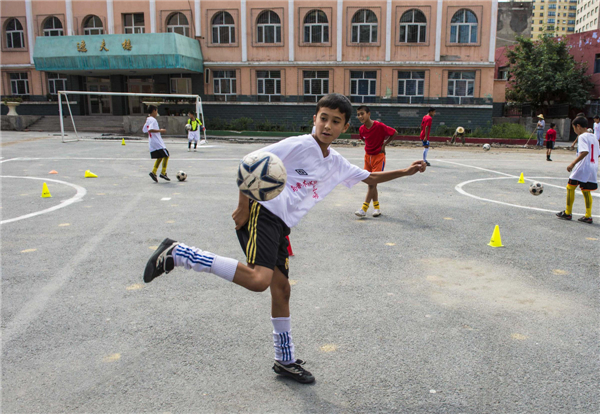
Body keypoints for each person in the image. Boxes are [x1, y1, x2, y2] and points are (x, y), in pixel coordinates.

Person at [143, 94, 426, 384]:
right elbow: (250, 161)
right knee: (258, 280)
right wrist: (243, 204)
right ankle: (180, 254)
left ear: (345, 126)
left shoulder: (337, 162)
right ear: (314, 119)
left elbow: (370, 178)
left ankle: (285, 360)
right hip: (262, 212)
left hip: (280, 224)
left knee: (281, 290)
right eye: (323, 118)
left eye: (335, 121)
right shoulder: (300, 144)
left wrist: (407, 170)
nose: (327, 125)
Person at [354, 105, 397, 218]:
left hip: (378, 157)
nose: (360, 116)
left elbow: (394, 132)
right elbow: (364, 138)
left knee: (372, 183)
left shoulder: (379, 126)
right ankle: (377, 208)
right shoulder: (361, 129)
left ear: (369, 114)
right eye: (358, 114)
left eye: (362, 113)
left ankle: (364, 208)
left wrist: (384, 144)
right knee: (371, 183)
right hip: (367, 157)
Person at [556, 117, 598, 224]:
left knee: (570, 187)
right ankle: (588, 216)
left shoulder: (582, 136)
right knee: (586, 190)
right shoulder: (594, 136)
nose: (574, 130)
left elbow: (585, 152)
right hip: (592, 166)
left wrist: (573, 163)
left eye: (574, 128)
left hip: (582, 166)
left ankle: (568, 212)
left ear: (578, 126)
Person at [143, 105, 170, 182]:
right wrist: (160, 130)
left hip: (152, 141)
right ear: (154, 111)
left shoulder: (148, 119)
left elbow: (144, 130)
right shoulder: (153, 120)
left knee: (160, 156)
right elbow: (150, 129)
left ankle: (154, 172)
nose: (157, 113)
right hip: (157, 141)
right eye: (156, 111)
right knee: (166, 155)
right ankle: (163, 173)